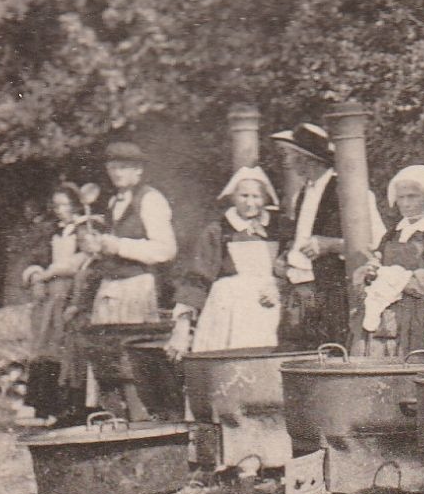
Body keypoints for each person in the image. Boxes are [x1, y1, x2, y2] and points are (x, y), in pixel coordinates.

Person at [270, 122, 385, 349]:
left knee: (331, 352)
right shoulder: (303, 193)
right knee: (292, 353)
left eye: (289, 155)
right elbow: (302, 239)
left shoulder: (348, 191)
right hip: (300, 292)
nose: (285, 161)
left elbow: (377, 243)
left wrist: (331, 245)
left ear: (307, 158)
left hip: (333, 293)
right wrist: (286, 256)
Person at [167, 167, 291, 358]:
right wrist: (182, 326)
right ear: (233, 196)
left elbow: (291, 266)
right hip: (229, 310)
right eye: (244, 195)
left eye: (256, 196)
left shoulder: (278, 229)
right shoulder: (218, 231)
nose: (250, 203)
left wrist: (279, 286)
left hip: (270, 307)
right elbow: (197, 279)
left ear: (266, 198)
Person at [358, 165, 424, 358]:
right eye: (401, 197)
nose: (405, 203)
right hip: (389, 314)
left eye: (412, 196)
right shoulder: (393, 233)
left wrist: (403, 279)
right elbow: (378, 260)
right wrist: (372, 270)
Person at [74, 141, 178, 324]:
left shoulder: (150, 199)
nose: (117, 173)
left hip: (136, 285)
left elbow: (166, 249)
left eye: (123, 167)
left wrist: (120, 246)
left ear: (138, 170)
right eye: (112, 167)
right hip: (110, 285)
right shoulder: (113, 202)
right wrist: (96, 245)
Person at [20, 183, 95, 417]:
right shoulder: (53, 231)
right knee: (46, 345)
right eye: (57, 205)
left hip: (70, 292)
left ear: (74, 205)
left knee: (67, 347)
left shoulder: (85, 229)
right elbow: (36, 258)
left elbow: (84, 260)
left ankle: (69, 407)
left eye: (65, 204)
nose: (60, 209)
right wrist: (35, 275)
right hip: (49, 297)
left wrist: (52, 272)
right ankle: (44, 405)